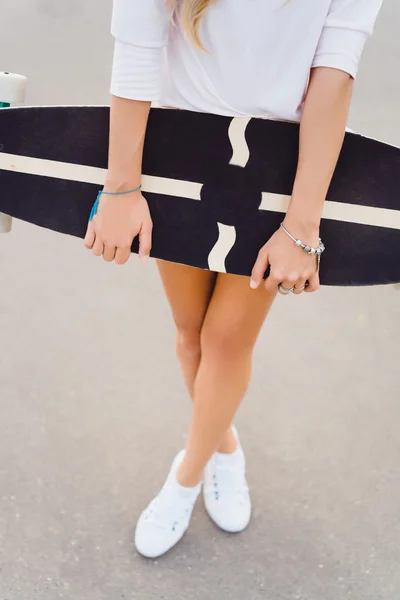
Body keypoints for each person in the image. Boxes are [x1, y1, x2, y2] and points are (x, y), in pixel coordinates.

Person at [84, 0, 383, 558]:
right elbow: (138, 46)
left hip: (275, 167)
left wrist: (302, 223)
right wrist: (122, 188)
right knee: (191, 333)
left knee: (226, 340)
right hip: (176, 154)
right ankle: (222, 441)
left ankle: (186, 477)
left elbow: (335, 73)